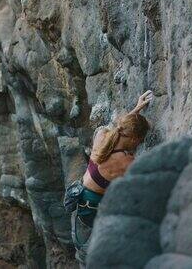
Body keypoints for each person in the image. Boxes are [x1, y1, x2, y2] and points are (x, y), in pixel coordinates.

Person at [64, 90, 153, 264]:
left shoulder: (102, 136)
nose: (140, 144)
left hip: (79, 199)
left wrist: (136, 109)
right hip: (91, 212)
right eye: (141, 140)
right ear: (134, 139)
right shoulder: (125, 161)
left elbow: (121, 129)